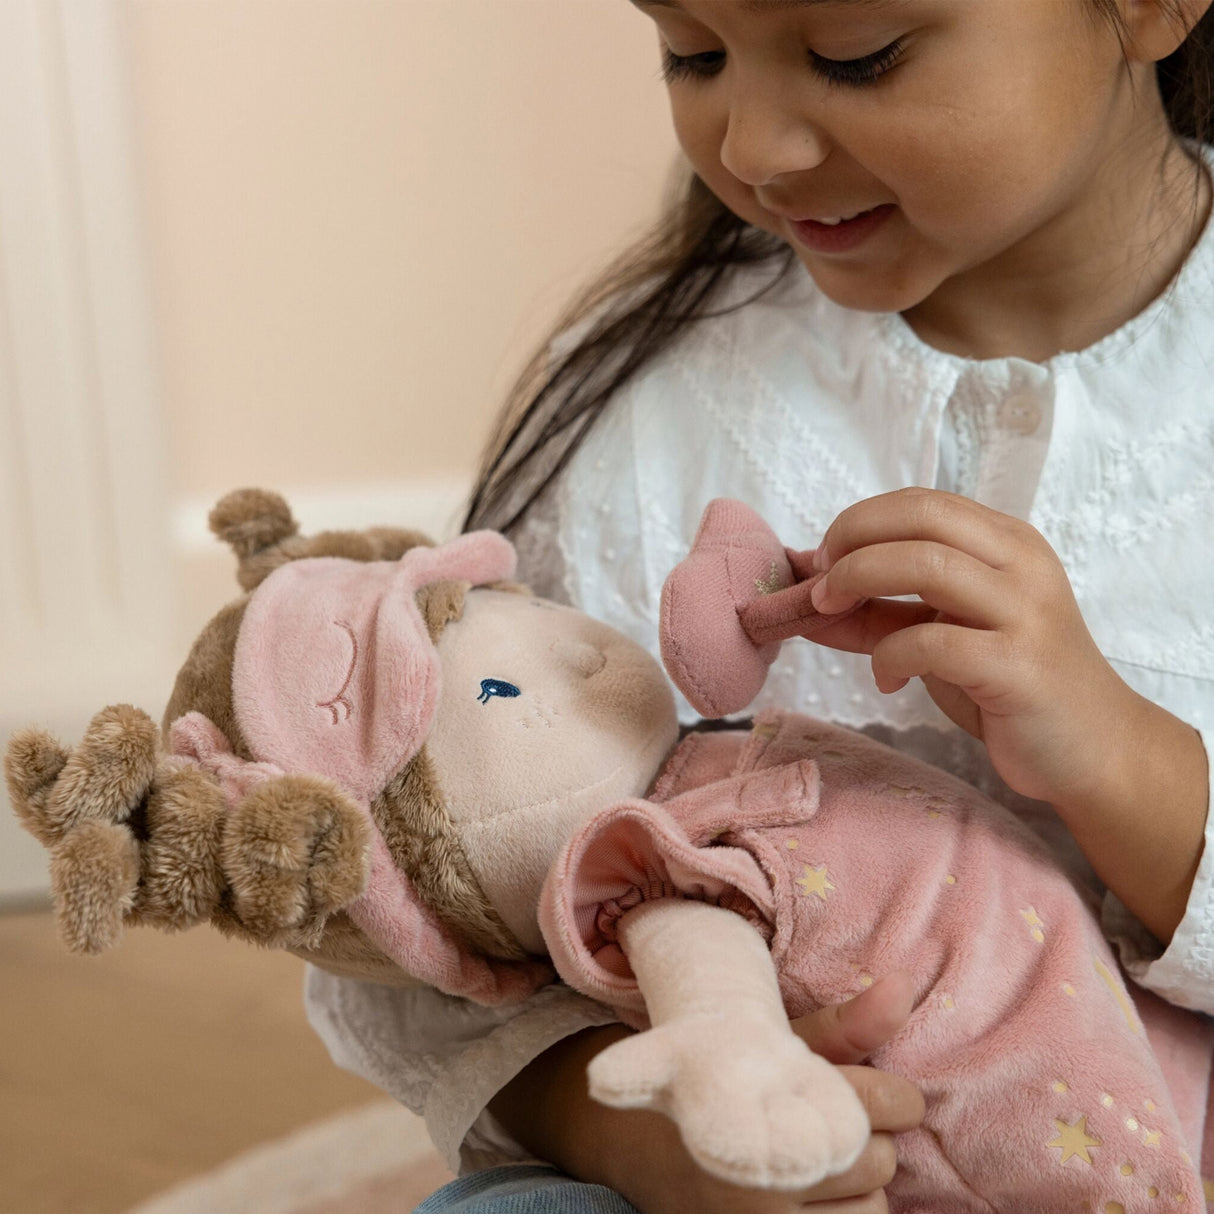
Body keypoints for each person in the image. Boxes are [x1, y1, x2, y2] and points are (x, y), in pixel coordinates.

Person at [304, 1, 1214, 1210]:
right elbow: (417, 927)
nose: (752, 146)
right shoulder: (646, 410)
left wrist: (1127, 766)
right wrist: (640, 1131)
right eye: (691, 52)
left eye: (856, 56)